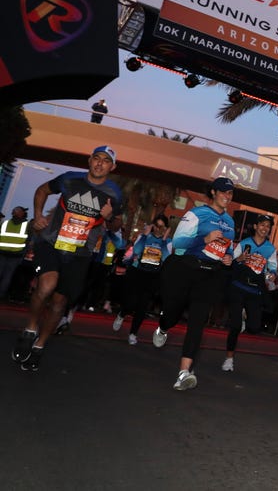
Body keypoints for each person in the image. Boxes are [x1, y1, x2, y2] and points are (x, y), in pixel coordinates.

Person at [10, 146, 122, 371]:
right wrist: (39, 215)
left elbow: (117, 223)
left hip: (80, 254)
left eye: (106, 161)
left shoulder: (114, 193)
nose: (100, 164)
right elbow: (42, 190)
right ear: (90, 160)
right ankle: (30, 329)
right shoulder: (70, 180)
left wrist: (109, 218)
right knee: (46, 286)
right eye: (97, 159)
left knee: (59, 302)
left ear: (112, 167)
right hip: (52, 243)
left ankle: (40, 345)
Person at [152, 177, 236, 390]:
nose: (228, 196)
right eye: (224, 192)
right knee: (173, 313)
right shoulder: (196, 214)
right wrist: (204, 239)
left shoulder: (230, 222)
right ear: (214, 193)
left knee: (197, 323)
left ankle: (184, 373)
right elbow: (178, 244)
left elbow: (227, 249)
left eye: (231, 193)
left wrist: (228, 258)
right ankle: (163, 327)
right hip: (185, 269)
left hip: (210, 275)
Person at [222, 214, 278, 371]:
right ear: (255, 227)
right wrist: (240, 258)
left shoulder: (271, 249)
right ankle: (229, 359)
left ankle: (245, 318)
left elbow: (273, 268)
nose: (264, 228)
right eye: (262, 225)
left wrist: (272, 275)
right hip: (238, 287)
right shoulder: (244, 243)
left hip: (254, 291)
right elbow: (231, 261)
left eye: (268, 226)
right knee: (234, 326)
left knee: (254, 328)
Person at [113, 215, 172, 344]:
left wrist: (164, 239)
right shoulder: (145, 236)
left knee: (142, 306)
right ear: (152, 226)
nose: (158, 229)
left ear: (166, 228)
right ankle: (122, 314)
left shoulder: (167, 241)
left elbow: (166, 258)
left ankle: (133, 333)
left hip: (152, 276)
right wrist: (144, 235)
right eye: (156, 225)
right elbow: (137, 250)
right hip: (137, 272)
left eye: (161, 226)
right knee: (131, 302)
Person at [0, 206, 30, 300]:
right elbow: (29, 241)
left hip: (3, 252)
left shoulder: (5, 223)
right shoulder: (27, 225)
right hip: (16, 254)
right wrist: (23, 253)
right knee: (7, 276)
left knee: (4, 275)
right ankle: (1, 295)